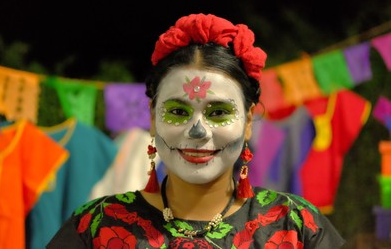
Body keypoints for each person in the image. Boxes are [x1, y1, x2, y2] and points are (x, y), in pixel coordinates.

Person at [47, 13, 345, 248]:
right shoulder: (95, 228)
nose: (198, 131)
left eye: (218, 113)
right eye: (178, 112)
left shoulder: (297, 226)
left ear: (249, 120)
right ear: (152, 118)